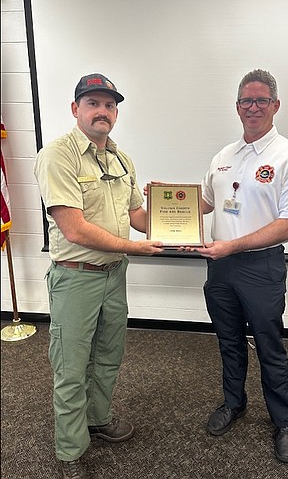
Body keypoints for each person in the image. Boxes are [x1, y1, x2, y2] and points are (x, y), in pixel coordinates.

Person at [34, 73, 164, 479]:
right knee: (71, 367)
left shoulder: (121, 159)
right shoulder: (58, 155)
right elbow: (74, 228)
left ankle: (97, 418)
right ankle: (71, 451)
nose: (102, 111)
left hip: (113, 275)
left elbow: (136, 215)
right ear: (76, 109)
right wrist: (137, 247)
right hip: (76, 278)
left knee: (107, 356)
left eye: (109, 105)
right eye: (93, 103)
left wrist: (175, 219)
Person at [197, 68, 288, 463]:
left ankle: (284, 421)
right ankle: (234, 402)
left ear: (275, 106)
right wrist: (167, 201)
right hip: (221, 268)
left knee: (270, 346)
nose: (253, 107)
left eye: (261, 100)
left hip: (261, 267)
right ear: (237, 106)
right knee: (228, 340)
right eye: (246, 100)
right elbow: (206, 203)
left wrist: (233, 245)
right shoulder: (223, 156)